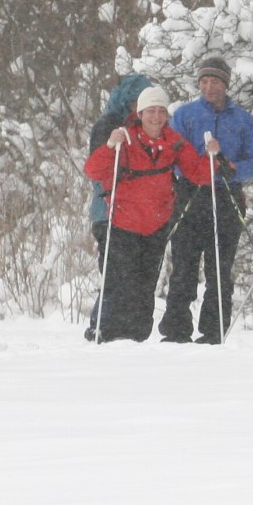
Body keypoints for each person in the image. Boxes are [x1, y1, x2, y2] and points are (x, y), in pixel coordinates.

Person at [83, 86, 216, 342]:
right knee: (120, 282)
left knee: (145, 284)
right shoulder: (125, 138)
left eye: (161, 111)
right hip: (123, 223)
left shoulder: (173, 141)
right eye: (151, 111)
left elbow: (197, 172)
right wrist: (110, 145)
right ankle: (106, 333)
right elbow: (94, 171)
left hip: (156, 226)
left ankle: (137, 335)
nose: (156, 117)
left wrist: (213, 157)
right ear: (140, 114)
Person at [159, 56, 253, 344]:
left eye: (215, 82)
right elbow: (173, 156)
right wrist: (198, 168)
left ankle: (214, 330)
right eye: (204, 81)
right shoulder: (186, 115)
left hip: (226, 195)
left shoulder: (242, 119)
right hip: (191, 194)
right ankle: (176, 329)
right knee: (184, 265)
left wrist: (231, 168)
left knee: (219, 268)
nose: (209, 87)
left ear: (225, 84)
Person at [85, 73, 155, 340]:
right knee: (114, 273)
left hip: (131, 214)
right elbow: (98, 169)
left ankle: (124, 329)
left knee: (129, 275)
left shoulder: (141, 127)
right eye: (137, 102)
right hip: (108, 212)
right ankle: (101, 325)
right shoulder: (109, 125)